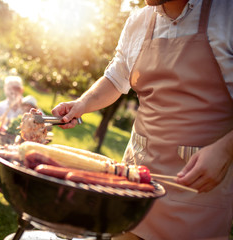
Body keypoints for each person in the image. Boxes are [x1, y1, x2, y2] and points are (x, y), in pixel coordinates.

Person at [51, 0, 233, 239]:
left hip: (198, 195)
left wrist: (226, 150)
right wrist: (82, 104)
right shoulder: (139, 20)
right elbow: (116, 77)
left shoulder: (226, 13)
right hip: (135, 183)